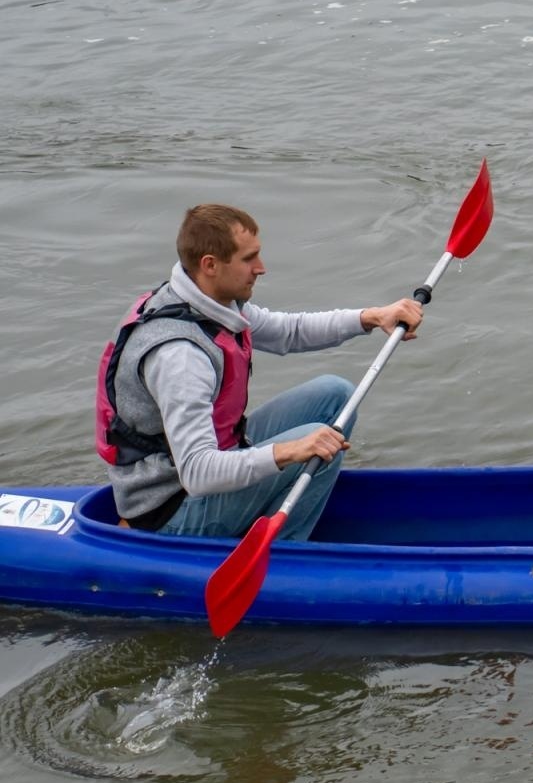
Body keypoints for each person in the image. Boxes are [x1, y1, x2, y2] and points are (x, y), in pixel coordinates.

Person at [96, 203, 424, 540]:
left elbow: (289, 331)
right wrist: (290, 452)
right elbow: (197, 472)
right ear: (210, 265)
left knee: (337, 394)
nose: (261, 268)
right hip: (170, 509)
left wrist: (371, 316)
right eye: (248, 258)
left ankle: (275, 512)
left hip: (202, 467)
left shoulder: (209, 302)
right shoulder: (180, 357)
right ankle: (284, 556)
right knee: (311, 440)